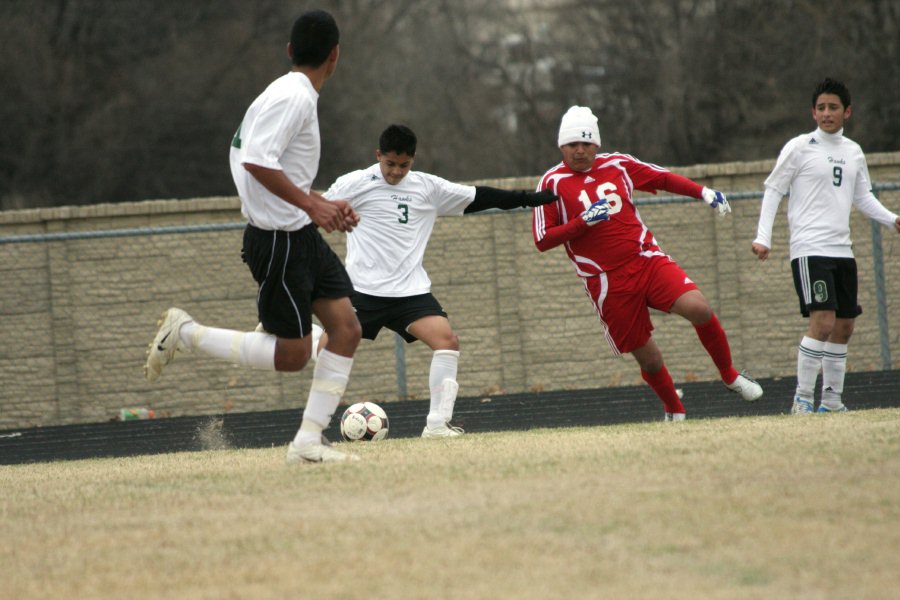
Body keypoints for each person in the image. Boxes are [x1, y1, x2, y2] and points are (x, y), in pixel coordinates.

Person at [144, 10, 363, 463]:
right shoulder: (294, 98)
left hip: (297, 233)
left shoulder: (282, 92)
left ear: (289, 51)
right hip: (280, 241)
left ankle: (307, 443)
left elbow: (267, 164)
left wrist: (317, 200)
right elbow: (257, 163)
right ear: (335, 57)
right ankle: (186, 334)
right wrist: (311, 205)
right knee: (293, 356)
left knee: (346, 329)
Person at [314, 124, 557, 437]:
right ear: (378, 156)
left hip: (410, 293)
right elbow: (316, 212)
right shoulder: (354, 183)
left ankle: (437, 425)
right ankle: (307, 337)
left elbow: (478, 196)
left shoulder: (427, 188)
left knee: (447, 341)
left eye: (404, 165)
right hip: (363, 292)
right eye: (390, 164)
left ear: (413, 159)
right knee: (324, 351)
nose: (396, 172)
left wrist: (526, 198)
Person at [532, 105, 763, 420]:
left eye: (586, 144)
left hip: (645, 259)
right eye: (573, 144)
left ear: (596, 145)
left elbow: (662, 178)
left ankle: (730, 375)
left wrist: (703, 192)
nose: (580, 150)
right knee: (650, 359)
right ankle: (674, 410)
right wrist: (582, 222)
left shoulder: (618, 165)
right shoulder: (551, 182)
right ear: (561, 146)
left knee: (699, 308)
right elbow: (543, 239)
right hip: (605, 280)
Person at [752, 78, 900, 414]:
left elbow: (862, 197)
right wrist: (763, 237)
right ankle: (802, 398)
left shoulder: (853, 152)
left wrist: (892, 219)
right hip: (809, 249)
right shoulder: (800, 147)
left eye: (833, 107)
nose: (827, 113)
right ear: (813, 113)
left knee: (844, 326)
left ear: (846, 112)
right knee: (823, 321)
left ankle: (831, 401)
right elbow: (774, 189)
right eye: (821, 107)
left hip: (841, 251)